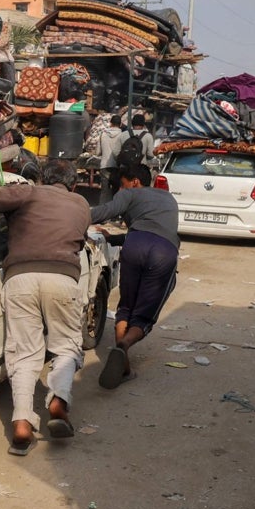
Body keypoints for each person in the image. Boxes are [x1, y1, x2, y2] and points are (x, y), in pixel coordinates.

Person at [0, 159, 91, 455]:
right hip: (63, 278)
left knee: (24, 354)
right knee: (66, 347)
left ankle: (22, 423)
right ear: (72, 184)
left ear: (41, 178)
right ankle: (58, 398)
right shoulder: (81, 204)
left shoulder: (28, 192)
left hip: (20, 278)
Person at [90, 163, 180, 388]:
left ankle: (124, 360)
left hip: (134, 244)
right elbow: (156, 231)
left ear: (135, 182)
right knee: (144, 314)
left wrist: (72, 212)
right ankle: (124, 348)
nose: (121, 190)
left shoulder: (131, 194)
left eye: (122, 185)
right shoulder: (169, 199)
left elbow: (103, 212)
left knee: (126, 307)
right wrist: (113, 238)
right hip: (164, 249)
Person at [97, 114, 124, 205]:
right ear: (120, 125)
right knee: (116, 192)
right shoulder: (123, 136)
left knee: (105, 192)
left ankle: (102, 214)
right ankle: (114, 214)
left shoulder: (103, 134)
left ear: (110, 123)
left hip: (104, 166)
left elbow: (98, 152)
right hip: (117, 168)